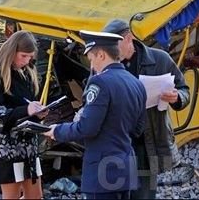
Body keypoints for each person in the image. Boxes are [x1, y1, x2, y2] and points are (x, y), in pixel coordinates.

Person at [44, 30, 146, 199]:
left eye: (91, 59)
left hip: (102, 171)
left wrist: (57, 131)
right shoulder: (136, 83)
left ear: (100, 55)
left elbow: (87, 127)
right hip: (126, 168)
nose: (91, 66)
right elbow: (138, 128)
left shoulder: (100, 82)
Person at [102, 19, 190, 200]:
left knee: (143, 195)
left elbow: (184, 91)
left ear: (129, 39)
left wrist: (176, 97)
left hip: (146, 142)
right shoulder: (104, 63)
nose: (111, 51)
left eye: (114, 45)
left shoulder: (160, 60)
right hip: (116, 142)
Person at [0, 30, 48, 199]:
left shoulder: (27, 73)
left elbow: (26, 104)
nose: (26, 61)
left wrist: (37, 114)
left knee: (35, 196)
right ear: (12, 51)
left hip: (28, 147)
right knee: (11, 196)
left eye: (29, 57)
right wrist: (27, 110)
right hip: (7, 148)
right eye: (23, 56)